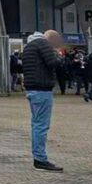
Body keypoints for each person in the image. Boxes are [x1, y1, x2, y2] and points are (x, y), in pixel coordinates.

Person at [22, 29, 64, 172]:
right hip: (42, 89)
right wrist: (58, 54)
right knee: (41, 125)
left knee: (36, 124)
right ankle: (40, 159)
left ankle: (38, 156)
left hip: (31, 89)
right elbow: (53, 63)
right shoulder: (43, 44)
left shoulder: (29, 46)